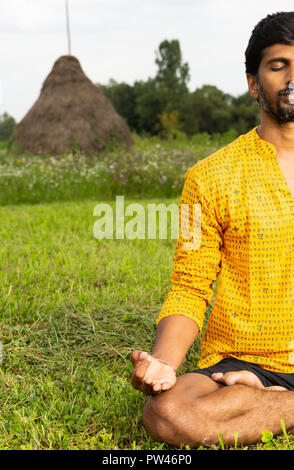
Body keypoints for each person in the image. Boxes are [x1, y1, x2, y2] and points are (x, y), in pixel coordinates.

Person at [130, 11, 294, 448]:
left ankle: (271, 403)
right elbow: (189, 286)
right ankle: (278, 399)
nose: (293, 76)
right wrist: (163, 363)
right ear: (254, 83)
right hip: (241, 361)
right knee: (167, 413)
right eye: (279, 65)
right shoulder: (206, 178)